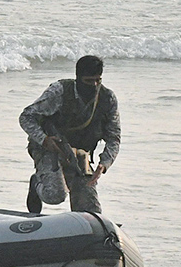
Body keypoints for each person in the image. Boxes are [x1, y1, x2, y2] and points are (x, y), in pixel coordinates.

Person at [20, 55, 121, 214]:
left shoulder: (107, 99)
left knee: (90, 211)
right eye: (89, 81)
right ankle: (36, 184)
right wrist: (44, 140)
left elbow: (114, 137)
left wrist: (105, 163)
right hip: (51, 148)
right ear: (78, 78)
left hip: (79, 155)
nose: (94, 86)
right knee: (55, 195)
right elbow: (26, 116)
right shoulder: (59, 92)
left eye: (98, 80)